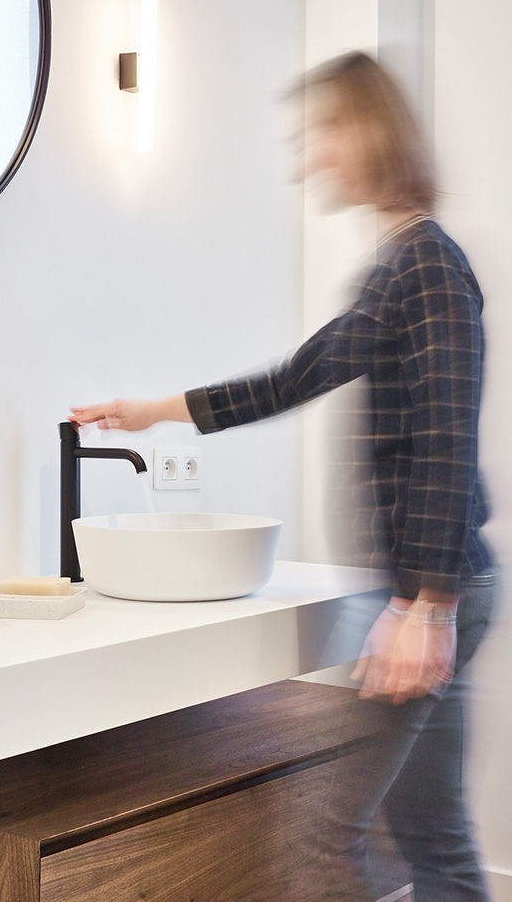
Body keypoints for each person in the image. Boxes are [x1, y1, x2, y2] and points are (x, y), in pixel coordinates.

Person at [69, 52, 497, 901]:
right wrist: (156, 410)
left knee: (329, 836)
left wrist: (426, 608)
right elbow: (297, 376)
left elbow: (446, 438)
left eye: (324, 133)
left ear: (371, 131)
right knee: (431, 837)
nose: (312, 158)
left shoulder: (429, 267)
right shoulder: (401, 267)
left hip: (431, 590)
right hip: (425, 589)